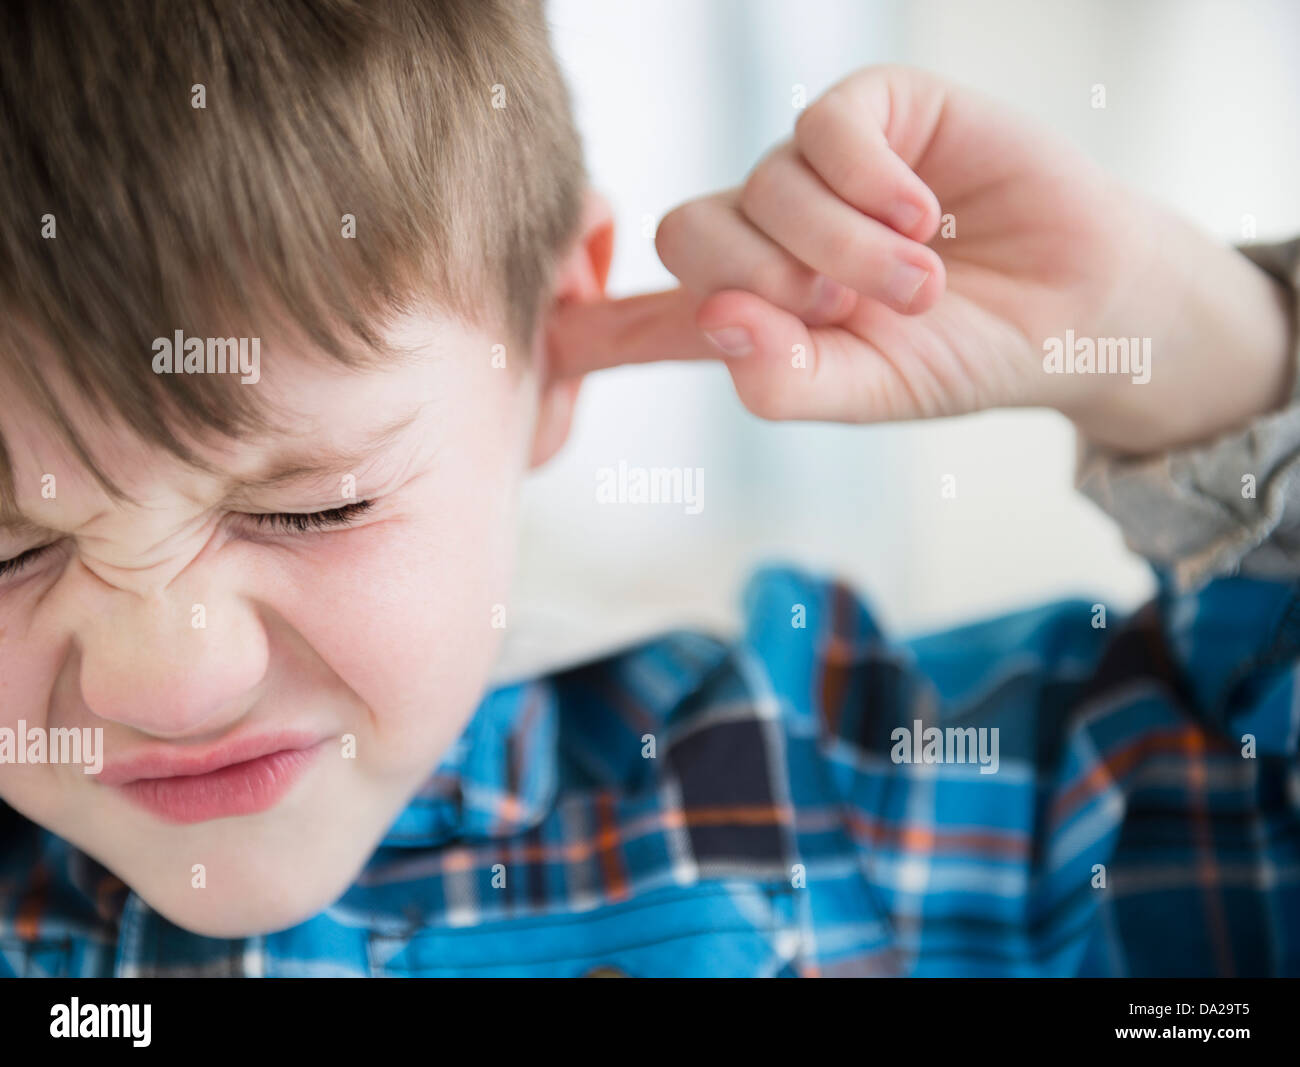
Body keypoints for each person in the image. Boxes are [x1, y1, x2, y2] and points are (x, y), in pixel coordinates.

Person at [0, 0, 1296, 977]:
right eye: (9, 552)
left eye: (311, 506)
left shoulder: (809, 798)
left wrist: (1183, 340)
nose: (165, 680)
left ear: (550, 352)